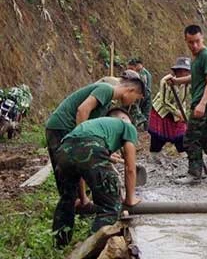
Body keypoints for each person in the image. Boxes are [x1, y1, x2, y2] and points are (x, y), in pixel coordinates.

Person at [45, 76, 144, 213]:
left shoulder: (107, 102)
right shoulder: (106, 89)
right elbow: (82, 110)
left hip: (69, 131)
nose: (133, 102)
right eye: (136, 98)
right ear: (130, 90)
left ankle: (82, 202)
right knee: (68, 175)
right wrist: (81, 135)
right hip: (61, 126)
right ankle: (75, 205)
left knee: (77, 167)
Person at [52, 109, 141, 247]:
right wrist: (130, 199)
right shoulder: (127, 126)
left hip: (63, 150)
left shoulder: (96, 126)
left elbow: (80, 167)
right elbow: (130, 168)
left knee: (67, 200)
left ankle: (59, 245)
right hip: (90, 149)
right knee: (110, 206)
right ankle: (87, 250)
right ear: (123, 118)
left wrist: (83, 198)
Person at [167, 25, 207, 185]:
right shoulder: (197, 58)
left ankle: (198, 175)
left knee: (196, 139)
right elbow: (195, 78)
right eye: (190, 42)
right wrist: (177, 81)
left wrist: (202, 104)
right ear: (185, 41)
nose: (194, 45)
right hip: (204, 103)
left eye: (197, 41)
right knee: (203, 138)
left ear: (203, 38)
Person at [147, 57, 191, 157]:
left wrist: (182, 113)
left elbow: (183, 100)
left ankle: (184, 153)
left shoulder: (187, 83)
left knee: (181, 133)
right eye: (184, 71)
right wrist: (177, 112)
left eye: (188, 71)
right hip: (162, 110)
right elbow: (164, 101)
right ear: (178, 71)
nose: (187, 74)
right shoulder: (166, 81)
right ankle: (155, 155)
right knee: (158, 136)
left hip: (176, 110)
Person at [128, 57, 152, 127]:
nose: (130, 71)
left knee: (138, 112)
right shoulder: (146, 73)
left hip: (142, 95)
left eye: (131, 69)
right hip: (146, 95)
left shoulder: (141, 74)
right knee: (146, 115)